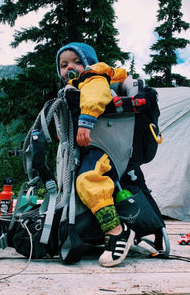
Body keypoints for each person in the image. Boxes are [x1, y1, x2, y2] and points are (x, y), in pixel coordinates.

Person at [56, 42, 135, 267]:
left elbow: (96, 94)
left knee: (87, 180)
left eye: (77, 62)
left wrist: (86, 120)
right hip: (94, 147)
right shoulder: (75, 85)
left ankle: (117, 231)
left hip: (104, 146)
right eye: (64, 64)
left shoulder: (93, 76)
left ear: (88, 63)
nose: (70, 67)